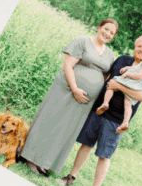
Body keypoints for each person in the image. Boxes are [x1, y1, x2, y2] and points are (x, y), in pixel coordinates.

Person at [61, 35, 142, 186]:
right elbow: (105, 77)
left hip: (117, 119)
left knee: (104, 156)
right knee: (86, 144)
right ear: (134, 46)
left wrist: (119, 87)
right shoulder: (122, 60)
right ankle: (71, 177)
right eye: (138, 46)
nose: (141, 50)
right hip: (99, 109)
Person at [20, 18, 119, 177]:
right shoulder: (83, 41)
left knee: (65, 130)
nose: (107, 33)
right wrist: (75, 88)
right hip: (67, 88)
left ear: (114, 36)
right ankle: (31, 157)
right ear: (99, 27)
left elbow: (107, 75)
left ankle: (46, 162)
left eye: (111, 33)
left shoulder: (109, 54)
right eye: (106, 29)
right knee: (50, 120)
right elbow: (68, 64)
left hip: (85, 101)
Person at [97, 41, 142, 134]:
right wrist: (127, 68)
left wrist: (127, 74)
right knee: (128, 104)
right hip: (136, 86)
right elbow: (136, 68)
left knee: (111, 84)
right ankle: (125, 123)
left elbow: (139, 75)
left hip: (134, 83)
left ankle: (105, 103)